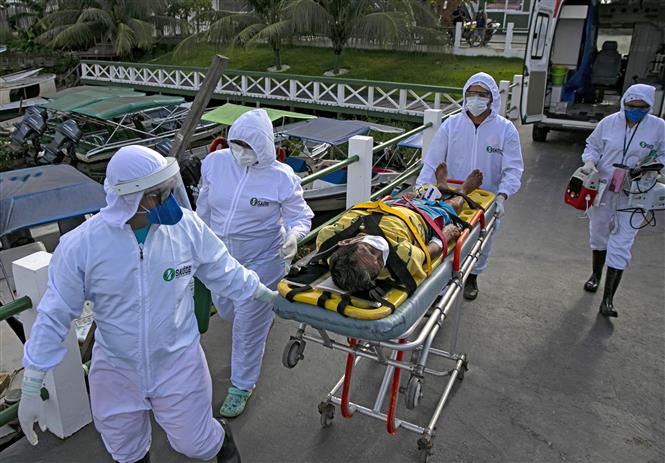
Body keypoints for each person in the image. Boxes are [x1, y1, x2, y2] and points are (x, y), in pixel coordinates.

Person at [19, 145, 279, 463]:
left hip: (178, 362)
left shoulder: (186, 227)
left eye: (169, 189)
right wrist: (32, 382)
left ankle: (221, 445)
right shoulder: (82, 246)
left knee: (196, 443)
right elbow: (55, 313)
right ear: (130, 197)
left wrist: (264, 294)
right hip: (116, 369)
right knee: (125, 449)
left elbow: (224, 271)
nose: (169, 200)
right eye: (158, 193)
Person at [197, 109, 313, 418]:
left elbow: (300, 216)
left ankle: (241, 386)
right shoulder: (215, 163)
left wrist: (294, 237)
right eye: (236, 144)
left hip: (262, 260)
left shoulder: (281, 177)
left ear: (263, 146)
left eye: (248, 146)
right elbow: (204, 206)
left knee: (247, 327)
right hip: (221, 258)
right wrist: (198, 241)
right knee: (227, 311)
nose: (240, 152)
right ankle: (264, 316)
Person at [416, 72, 523, 300]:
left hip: (485, 199)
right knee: (446, 237)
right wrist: (422, 188)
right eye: (471, 93)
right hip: (451, 197)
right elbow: (432, 161)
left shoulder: (505, 130)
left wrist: (503, 196)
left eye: (482, 94)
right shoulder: (451, 125)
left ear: (492, 97)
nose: (476, 99)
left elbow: (513, 168)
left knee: (481, 243)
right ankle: (441, 284)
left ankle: (473, 276)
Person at [320, 165, 483, 293]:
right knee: (451, 206)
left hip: (390, 206)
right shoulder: (401, 258)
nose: (380, 251)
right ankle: (463, 190)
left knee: (418, 195)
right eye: (379, 262)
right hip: (422, 218)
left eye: (370, 249)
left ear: (347, 241)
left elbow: (324, 239)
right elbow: (428, 252)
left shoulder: (329, 238)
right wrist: (444, 236)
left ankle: (440, 187)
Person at [579, 84, 665, 318]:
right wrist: (590, 163)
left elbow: (664, 154)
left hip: (636, 190)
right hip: (605, 187)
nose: (635, 111)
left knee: (623, 241)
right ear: (623, 103)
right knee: (598, 232)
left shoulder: (658, 127)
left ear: (649, 107)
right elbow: (592, 146)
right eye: (630, 106)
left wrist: (652, 167)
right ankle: (596, 274)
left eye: (641, 108)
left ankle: (608, 299)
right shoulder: (608, 123)